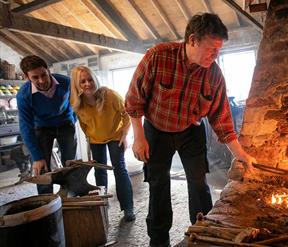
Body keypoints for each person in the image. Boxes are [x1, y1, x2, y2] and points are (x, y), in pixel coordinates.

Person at [125, 13, 256, 247]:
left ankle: (204, 234)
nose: (215, 56)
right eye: (211, 49)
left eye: (219, 50)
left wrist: (241, 155)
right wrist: (138, 137)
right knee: (158, 185)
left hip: (190, 130)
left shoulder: (214, 74)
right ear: (193, 40)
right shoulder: (158, 56)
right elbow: (134, 100)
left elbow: (222, 120)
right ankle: (158, 240)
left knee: (198, 183)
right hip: (156, 130)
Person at [70, 65, 135, 221]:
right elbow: (84, 126)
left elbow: (127, 114)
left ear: (95, 79)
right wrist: (89, 145)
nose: (87, 84)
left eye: (90, 79)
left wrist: (125, 134)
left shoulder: (110, 95)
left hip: (115, 136)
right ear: (77, 85)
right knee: (99, 171)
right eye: (83, 81)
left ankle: (128, 208)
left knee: (119, 169)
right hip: (95, 139)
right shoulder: (77, 103)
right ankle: (102, 206)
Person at [17, 55, 77, 194]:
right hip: (42, 127)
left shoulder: (66, 82)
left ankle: (70, 194)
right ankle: (47, 201)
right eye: (35, 77)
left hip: (65, 124)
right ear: (27, 77)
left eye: (44, 74)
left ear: (48, 70)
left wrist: (73, 120)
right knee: (42, 168)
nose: (42, 80)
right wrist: (37, 157)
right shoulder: (23, 96)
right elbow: (26, 127)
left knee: (70, 163)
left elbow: (77, 104)